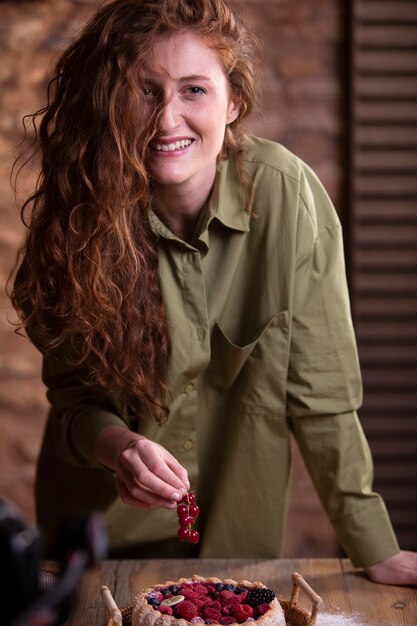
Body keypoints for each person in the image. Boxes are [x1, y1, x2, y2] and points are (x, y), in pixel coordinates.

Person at [9, 0, 417, 585]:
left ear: (235, 104)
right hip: (103, 542)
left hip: (236, 542)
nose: (167, 118)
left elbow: (322, 391)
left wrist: (372, 545)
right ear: (107, 104)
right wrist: (117, 446)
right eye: (142, 91)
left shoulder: (287, 197)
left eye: (193, 90)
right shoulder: (77, 221)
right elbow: (73, 403)